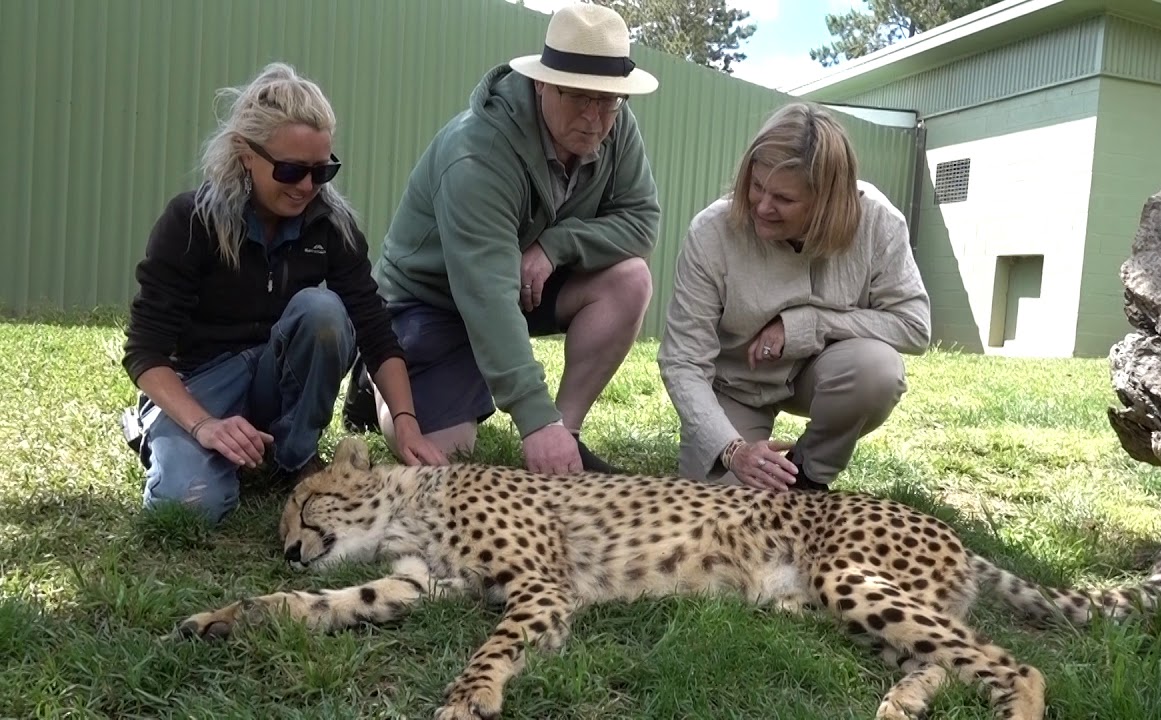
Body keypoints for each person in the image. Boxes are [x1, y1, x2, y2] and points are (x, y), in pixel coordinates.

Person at [121, 62, 447, 525]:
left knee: (324, 313)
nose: (307, 187)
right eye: (291, 170)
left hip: (274, 375)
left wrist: (407, 424)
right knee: (188, 506)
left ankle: (292, 457)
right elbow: (145, 353)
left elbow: (375, 331)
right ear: (245, 153)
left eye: (322, 171)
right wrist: (204, 424)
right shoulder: (191, 221)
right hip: (201, 383)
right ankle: (175, 436)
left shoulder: (332, 226)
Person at [342, 4, 661, 475]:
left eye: (609, 100)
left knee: (630, 279)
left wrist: (555, 246)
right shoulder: (477, 152)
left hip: (521, 286)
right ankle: (379, 377)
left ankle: (564, 436)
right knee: (448, 455)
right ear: (542, 83)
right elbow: (486, 293)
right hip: (432, 301)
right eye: (579, 97)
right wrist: (531, 416)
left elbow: (642, 222)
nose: (596, 118)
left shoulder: (617, 126)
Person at [657, 102, 931, 492]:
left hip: (823, 374)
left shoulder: (879, 222)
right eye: (756, 186)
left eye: (783, 200)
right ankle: (749, 461)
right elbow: (683, 361)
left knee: (877, 370)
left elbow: (914, 327)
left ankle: (810, 473)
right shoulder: (711, 232)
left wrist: (808, 323)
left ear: (827, 201)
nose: (762, 207)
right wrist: (733, 449)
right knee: (722, 513)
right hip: (736, 387)